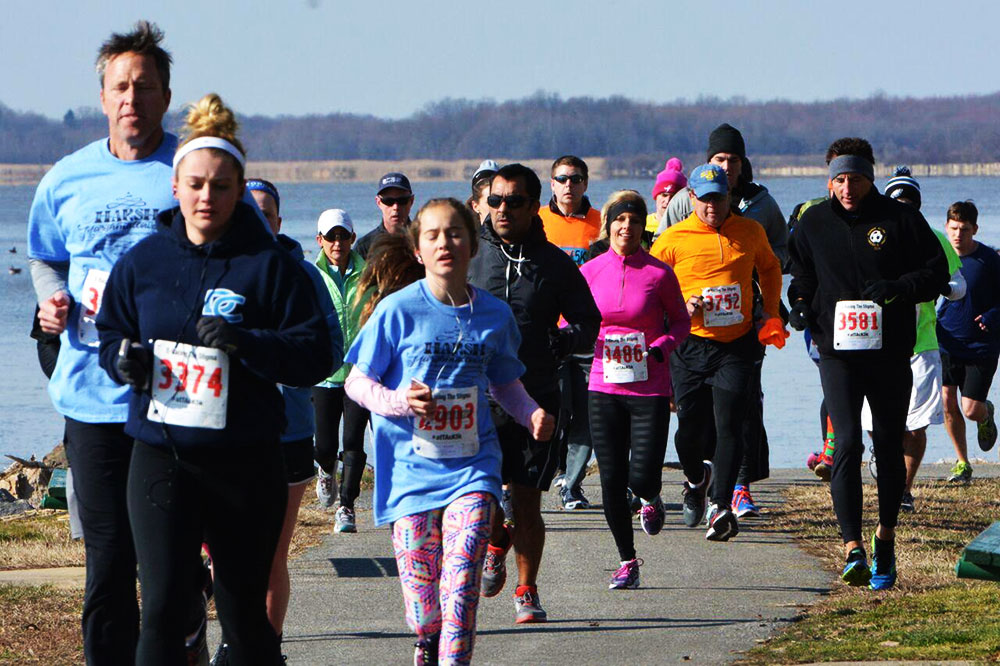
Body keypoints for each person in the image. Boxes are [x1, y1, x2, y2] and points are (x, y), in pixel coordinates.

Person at [95, 93, 335, 665]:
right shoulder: (144, 262)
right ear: (175, 186)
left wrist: (247, 344)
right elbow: (110, 334)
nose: (207, 197)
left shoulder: (271, 265)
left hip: (247, 461)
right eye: (196, 183)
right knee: (162, 609)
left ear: (238, 188)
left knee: (243, 612)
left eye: (221, 186)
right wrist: (122, 359)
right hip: (161, 457)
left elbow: (316, 354)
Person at [343, 197, 555, 665]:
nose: (445, 243)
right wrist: (400, 402)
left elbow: (503, 382)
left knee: (460, 586)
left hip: (473, 469)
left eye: (455, 233)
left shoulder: (495, 315)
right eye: (434, 235)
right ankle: (427, 641)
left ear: (473, 244)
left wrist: (531, 413)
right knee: (425, 613)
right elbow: (358, 382)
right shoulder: (397, 311)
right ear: (418, 249)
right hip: (409, 472)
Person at [26, 22, 175, 664]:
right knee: (107, 559)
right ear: (103, 95)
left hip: (176, 395)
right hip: (91, 395)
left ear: (166, 96)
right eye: (120, 86)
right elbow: (44, 257)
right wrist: (50, 300)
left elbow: (243, 257)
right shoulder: (66, 178)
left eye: (143, 86)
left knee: (168, 561)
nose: (130, 99)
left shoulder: (193, 169)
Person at [788, 137, 949, 590]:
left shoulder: (900, 219)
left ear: (870, 177)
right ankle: (851, 546)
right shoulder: (814, 221)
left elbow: (936, 275)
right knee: (846, 445)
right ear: (828, 179)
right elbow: (800, 273)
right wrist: (799, 303)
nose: (847, 188)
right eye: (839, 180)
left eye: (855, 179)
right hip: (837, 353)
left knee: (887, 442)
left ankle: (886, 537)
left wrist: (897, 286)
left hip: (889, 350)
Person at [469, 163, 600, 623]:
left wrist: (565, 341)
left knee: (526, 500)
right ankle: (493, 540)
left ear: (532, 205)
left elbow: (589, 322)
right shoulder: (469, 257)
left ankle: (527, 590)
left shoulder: (554, 264)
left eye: (513, 201)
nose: (502, 209)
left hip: (537, 399)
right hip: (475, 401)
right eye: (495, 200)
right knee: (480, 499)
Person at [657, 123, 789, 517]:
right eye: (705, 200)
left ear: (730, 194)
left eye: (720, 198)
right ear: (691, 197)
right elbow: (656, 288)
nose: (713, 207)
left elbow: (771, 267)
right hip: (690, 343)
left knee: (731, 422)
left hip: (737, 341)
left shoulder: (750, 230)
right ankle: (697, 481)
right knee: (690, 430)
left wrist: (769, 310)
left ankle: (722, 506)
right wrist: (682, 305)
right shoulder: (673, 238)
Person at [242, 179, 343, 659]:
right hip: (226, 436)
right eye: (249, 211)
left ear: (280, 222)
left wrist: (284, 368)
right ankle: (233, 638)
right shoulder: (215, 270)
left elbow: (331, 349)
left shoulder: (304, 277)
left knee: (271, 554)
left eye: (268, 213)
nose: (259, 220)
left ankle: (269, 647)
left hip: (288, 430)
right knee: (226, 552)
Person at [580, 190, 690, 589]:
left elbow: (680, 323)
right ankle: (627, 560)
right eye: (620, 221)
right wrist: (575, 336)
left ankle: (652, 497)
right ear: (609, 225)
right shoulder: (591, 271)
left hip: (649, 389)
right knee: (610, 476)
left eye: (635, 221)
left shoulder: (659, 273)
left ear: (645, 227)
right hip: (602, 385)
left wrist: (661, 348)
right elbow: (567, 319)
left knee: (642, 476)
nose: (627, 228)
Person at [858, 168, 965, 510]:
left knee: (916, 425)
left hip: (921, 346)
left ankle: (903, 489)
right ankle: (883, 452)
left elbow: (959, 285)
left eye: (909, 202)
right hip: (875, 342)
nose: (903, 208)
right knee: (875, 422)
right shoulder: (871, 236)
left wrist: (944, 287)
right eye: (897, 201)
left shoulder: (933, 237)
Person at [538, 155, 602, 510]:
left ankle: (572, 485)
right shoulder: (539, 221)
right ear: (551, 183)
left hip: (588, 333)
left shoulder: (599, 223)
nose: (568, 185)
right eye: (562, 179)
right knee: (554, 412)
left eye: (576, 179)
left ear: (585, 184)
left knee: (587, 414)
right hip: (548, 334)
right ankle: (545, 473)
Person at [312, 208, 371, 532]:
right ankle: (324, 470)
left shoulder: (368, 273)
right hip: (324, 373)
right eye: (330, 236)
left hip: (359, 373)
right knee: (324, 445)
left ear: (352, 238)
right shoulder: (312, 275)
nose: (337, 242)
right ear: (319, 240)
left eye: (342, 236)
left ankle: (347, 506)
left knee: (352, 440)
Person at [937, 200, 1000, 482]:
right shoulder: (939, 256)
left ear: (975, 228)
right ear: (946, 227)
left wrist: (992, 315)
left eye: (964, 229)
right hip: (947, 340)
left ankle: (986, 414)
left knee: (970, 409)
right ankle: (962, 464)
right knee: (947, 401)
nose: (958, 235)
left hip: (981, 345)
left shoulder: (989, 260)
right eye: (953, 228)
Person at [354, 172, 415, 259]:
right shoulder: (365, 246)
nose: (395, 207)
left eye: (402, 201)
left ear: (411, 201)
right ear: (378, 202)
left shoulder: (423, 240)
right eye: (388, 201)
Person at [647, 158, 686, 238]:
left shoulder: (686, 227)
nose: (667, 201)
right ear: (656, 196)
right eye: (664, 195)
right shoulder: (642, 224)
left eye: (673, 196)